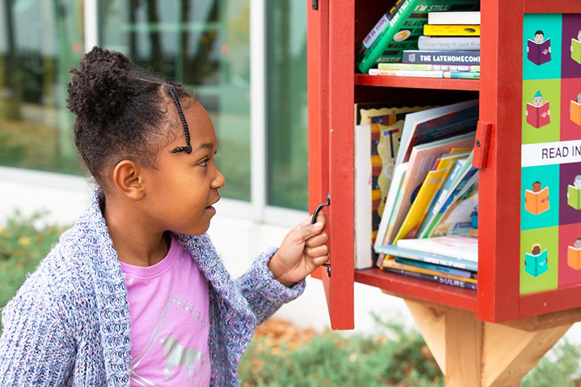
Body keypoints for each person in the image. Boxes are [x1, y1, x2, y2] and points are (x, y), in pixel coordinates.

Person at [0, 47, 329, 386]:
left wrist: (277, 273)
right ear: (132, 180)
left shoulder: (188, 248)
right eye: (202, 162)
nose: (219, 178)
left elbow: (209, 328)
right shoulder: (59, 298)